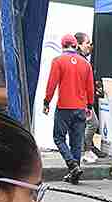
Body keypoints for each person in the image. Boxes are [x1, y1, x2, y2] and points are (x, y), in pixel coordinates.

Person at [44, 34, 95, 185]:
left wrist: (46, 102)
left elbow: (51, 84)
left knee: (58, 138)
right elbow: (90, 88)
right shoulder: (85, 64)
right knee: (76, 142)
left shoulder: (58, 61)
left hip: (64, 107)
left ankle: (72, 165)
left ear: (62, 46)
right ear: (75, 45)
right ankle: (75, 174)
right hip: (80, 108)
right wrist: (90, 106)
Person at [75, 31, 107, 161]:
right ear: (78, 45)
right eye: (87, 43)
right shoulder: (79, 60)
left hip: (83, 98)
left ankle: (87, 148)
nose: (90, 46)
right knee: (93, 123)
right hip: (81, 99)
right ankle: (86, 148)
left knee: (87, 124)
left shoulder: (83, 59)